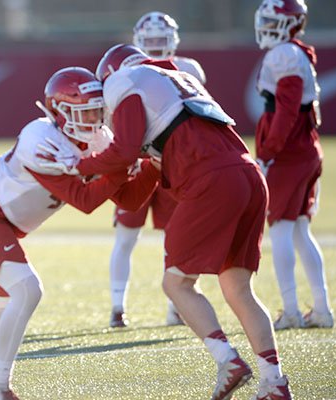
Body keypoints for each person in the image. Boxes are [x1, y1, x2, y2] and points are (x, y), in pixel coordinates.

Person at [40, 45, 292, 399]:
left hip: (210, 178)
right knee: (237, 287)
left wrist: (82, 166)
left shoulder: (126, 82)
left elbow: (125, 151)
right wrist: (105, 173)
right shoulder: (175, 85)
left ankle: (228, 360)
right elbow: (132, 194)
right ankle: (275, 382)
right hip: (247, 174)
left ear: (110, 76)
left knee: (177, 284)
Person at [0, 67, 160, 400]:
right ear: (58, 111)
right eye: (83, 111)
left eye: (97, 111)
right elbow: (84, 199)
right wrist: (120, 166)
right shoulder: (40, 137)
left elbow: (128, 199)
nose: (93, 119)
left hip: (4, 221)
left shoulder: (100, 138)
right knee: (27, 290)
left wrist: (153, 168)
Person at [108, 11, 208, 328]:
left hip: (170, 164)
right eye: (148, 41)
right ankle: (117, 307)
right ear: (137, 42)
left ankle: (176, 306)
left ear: (173, 42)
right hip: (137, 164)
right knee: (125, 238)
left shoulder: (188, 69)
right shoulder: (128, 71)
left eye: (159, 41)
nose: (153, 47)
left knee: (176, 236)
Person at [254, 0, 334, 331]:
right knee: (300, 228)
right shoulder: (295, 51)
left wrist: (270, 150)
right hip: (306, 147)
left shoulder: (283, 54)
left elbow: (286, 110)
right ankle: (322, 308)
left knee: (282, 229)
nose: (266, 26)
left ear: (291, 24)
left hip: (290, 151)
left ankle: (290, 310)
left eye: (274, 21)